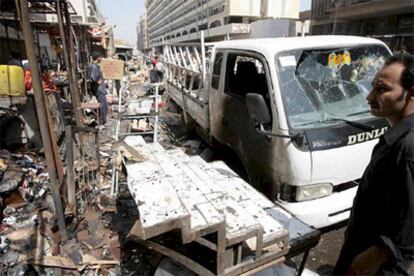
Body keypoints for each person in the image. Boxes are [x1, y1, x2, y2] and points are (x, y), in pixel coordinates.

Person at [334, 54, 414, 275]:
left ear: (411, 93)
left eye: (382, 89)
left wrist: (371, 258)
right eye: (372, 88)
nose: (369, 96)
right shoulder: (396, 137)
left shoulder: (408, 147)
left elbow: (409, 226)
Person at [89, 51, 108, 126]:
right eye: (100, 57)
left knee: (104, 105)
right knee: (103, 105)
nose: (102, 59)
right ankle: (101, 122)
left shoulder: (96, 66)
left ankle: (102, 121)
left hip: (101, 89)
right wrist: (98, 82)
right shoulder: (94, 66)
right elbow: (93, 78)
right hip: (99, 89)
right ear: (97, 58)